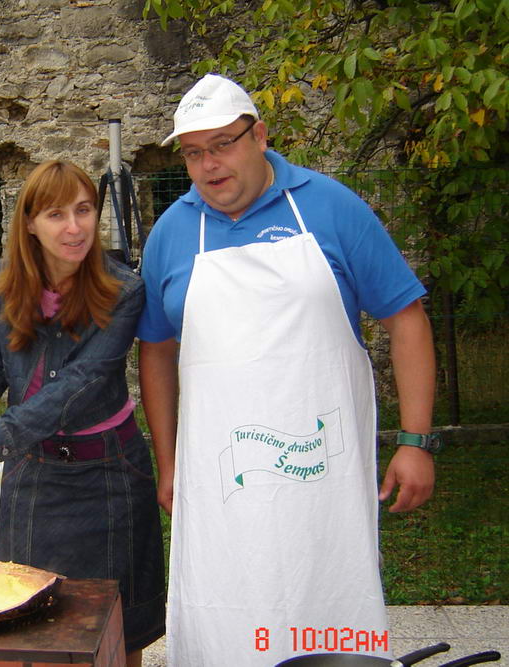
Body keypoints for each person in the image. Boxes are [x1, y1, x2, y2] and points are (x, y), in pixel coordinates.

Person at [137, 74, 438, 666]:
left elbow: (406, 318)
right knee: (225, 617)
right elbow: (156, 350)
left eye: (222, 144)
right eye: (193, 153)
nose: (208, 165)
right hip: (221, 482)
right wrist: (168, 463)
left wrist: (415, 441)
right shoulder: (172, 232)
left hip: (321, 475)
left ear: (260, 136)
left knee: (325, 606)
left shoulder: (331, 207)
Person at [0, 160, 166, 667]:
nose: (74, 227)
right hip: (34, 472)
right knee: (27, 619)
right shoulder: (0, 280)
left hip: (108, 473)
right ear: (30, 223)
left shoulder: (124, 288)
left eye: (83, 210)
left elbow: (84, 383)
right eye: (56, 214)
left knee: (118, 631)